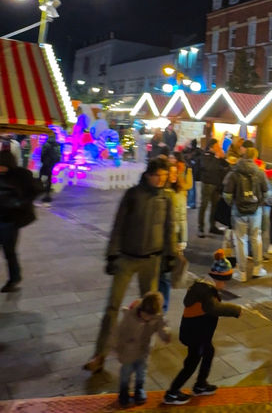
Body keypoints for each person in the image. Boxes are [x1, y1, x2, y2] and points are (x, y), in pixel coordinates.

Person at [83, 157, 176, 373]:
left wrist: (170, 255)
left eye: (164, 176)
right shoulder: (133, 194)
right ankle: (100, 354)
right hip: (127, 257)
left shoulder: (166, 197)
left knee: (150, 310)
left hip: (152, 260)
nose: (161, 180)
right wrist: (112, 255)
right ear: (149, 174)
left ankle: (141, 352)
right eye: (157, 175)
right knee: (113, 307)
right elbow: (119, 225)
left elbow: (169, 228)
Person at [163, 249, 242, 405]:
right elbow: (214, 308)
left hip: (199, 333)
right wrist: (235, 310)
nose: (224, 285)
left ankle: (200, 385)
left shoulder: (203, 285)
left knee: (209, 352)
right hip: (196, 335)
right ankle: (172, 393)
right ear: (218, 278)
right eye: (224, 281)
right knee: (191, 363)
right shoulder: (206, 291)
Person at [114, 290, 170, 407]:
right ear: (141, 309)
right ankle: (123, 392)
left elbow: (162, 327)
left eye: (150, 316)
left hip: (144, 350)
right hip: (128, 351)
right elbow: (120, 332)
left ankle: (139, 389)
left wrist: (165, 335)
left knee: (141, 371)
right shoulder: (130, 316)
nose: (147, 318)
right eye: (145, 315)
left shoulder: (157, 318)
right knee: (126, 373)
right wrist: (118, 347)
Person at [223, 146, 269, 282]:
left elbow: (227, 194)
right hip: (255, 210)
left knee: (240, 240)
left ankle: (241, 272)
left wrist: (233, 204)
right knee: (256, 238)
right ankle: (257, 268)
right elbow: (267, 193)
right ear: (254, 157)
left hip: (238, 210)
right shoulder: (260, 172)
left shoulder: (234, 172)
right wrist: (259, 203)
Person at [0, 149, 43, 292]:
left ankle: (14, 279)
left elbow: (36, 189)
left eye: (2, 166)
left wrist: (19, 203)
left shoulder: (20, 175)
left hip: (9, 221)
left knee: (9, 252)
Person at [159, 154, 192, 311]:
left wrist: (183, 239)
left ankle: (163, 309)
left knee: (166, 276)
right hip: (158, 237)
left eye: (175, 173)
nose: (173, 176)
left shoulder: (179, 192)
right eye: (169, 173)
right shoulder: (159, 192)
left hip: (173, 238)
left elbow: (183, 217)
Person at [198, 139, 229, 238]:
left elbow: (226, 166)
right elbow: (209, 167)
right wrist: (216, 157)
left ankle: (212, 226)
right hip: (207, 184)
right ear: (211, 147)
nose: (218, 147)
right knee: (204, 206)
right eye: (216, 146)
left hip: (217, 184)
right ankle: (200, 228)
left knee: (215, 206)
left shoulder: (217, 155)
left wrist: (223, 158)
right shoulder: (205, 155)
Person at [39, 134, 61, 203]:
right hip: (52, 165)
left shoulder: (46, 144)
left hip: (46, 165)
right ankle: (47, 194)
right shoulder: (57, 145)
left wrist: (43, 161)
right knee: (49, 179)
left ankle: (41, 192)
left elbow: (42, 155)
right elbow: (58, 156)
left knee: (42, 177)